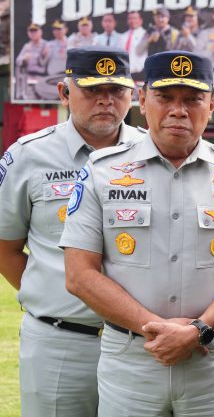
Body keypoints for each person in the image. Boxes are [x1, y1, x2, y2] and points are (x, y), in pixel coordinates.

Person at [61, 51, 214, 416]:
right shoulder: (102, 171)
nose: (178, 110)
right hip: (132, 361)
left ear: (213, 104)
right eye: (165, 97)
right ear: (142, 99)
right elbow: (79, 275)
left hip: (212, 364)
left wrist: (198, 330)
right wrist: (153, 328)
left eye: (192, 99)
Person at [0, 46, 141, 416]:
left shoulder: (151, 152)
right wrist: (58, 292)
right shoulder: (28, 156)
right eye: (93, 90)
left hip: (138, 343)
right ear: (65, 93)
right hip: (59, 343)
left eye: (116, 91)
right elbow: (5, 246)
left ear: (133, 94)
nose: (106, 101)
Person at [15, 22, 48, 99]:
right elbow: (18, 61)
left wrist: (43, 56)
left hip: (43, 78)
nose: (33, 33)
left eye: (35, 31)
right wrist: (24, 59)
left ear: (40, 32)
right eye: (31, 31)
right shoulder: (27, 46)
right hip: (29, 78)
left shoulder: (46, 45)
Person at [123, 10, 148, 77]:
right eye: (130, 18)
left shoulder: (146, 34)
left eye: (135, 18)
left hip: (140, 74)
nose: (132, 21)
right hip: (124, 73)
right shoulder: (123, 36)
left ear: (140, 20)